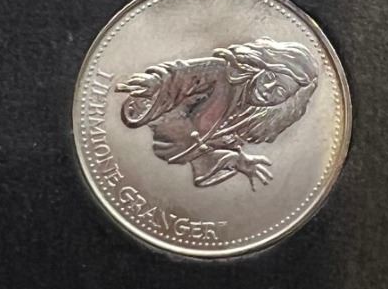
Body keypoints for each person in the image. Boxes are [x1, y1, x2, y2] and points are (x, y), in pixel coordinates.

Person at [117, 39, 318, 190]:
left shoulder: (255, 117)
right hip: (155, 126)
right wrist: (155, 84)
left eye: (280, 91)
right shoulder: (222, 73)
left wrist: (238, 161)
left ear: (286, 103)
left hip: (174, 164)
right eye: (270, 76)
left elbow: (224, 140)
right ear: (261, 67)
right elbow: (181, 75)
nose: (268, 88)